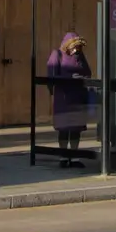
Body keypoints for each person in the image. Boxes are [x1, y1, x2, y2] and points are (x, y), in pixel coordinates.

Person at [45, 32, 92, 168]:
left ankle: (75, 157)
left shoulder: (80, 56)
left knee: (76, 129)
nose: (76, 50)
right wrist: (67, 79)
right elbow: (51, 75)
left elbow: (88, 72)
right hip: (63, 98)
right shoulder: (57, 55)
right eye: (74, 47)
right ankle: (63, 157)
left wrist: (81, 77)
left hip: (77, 96)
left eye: (78, 47)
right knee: (64, 129)